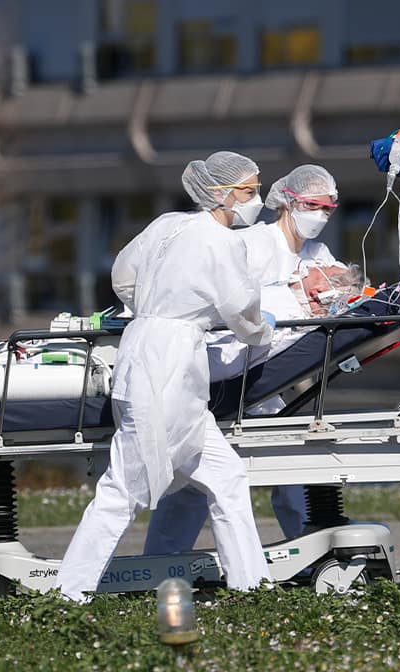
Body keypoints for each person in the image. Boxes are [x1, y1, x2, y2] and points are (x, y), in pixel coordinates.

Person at [52, 151, 275, 602]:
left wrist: (154, 306)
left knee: (227, 476)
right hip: (168, 367)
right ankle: (68, 594)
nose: (258, 201)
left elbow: (122, 274)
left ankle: (251, 587)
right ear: (221, 193)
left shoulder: (166, 225)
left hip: (146, 350)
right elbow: (241, 309)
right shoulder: (222, 241)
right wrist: (260, 332)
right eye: (250, 192)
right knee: (123, 489)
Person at [145, 165, 345, 555]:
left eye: (329, 208)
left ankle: (308, 551)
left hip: (270, 378)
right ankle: (160, 563)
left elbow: (339, 290)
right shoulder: (252, 244)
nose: (322, 214)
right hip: (228, 368)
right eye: (314, 205)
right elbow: (227, 302)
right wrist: (282, 300)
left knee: (290, 473)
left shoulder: (318, 253)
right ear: (288, 203)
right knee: (192, 482)